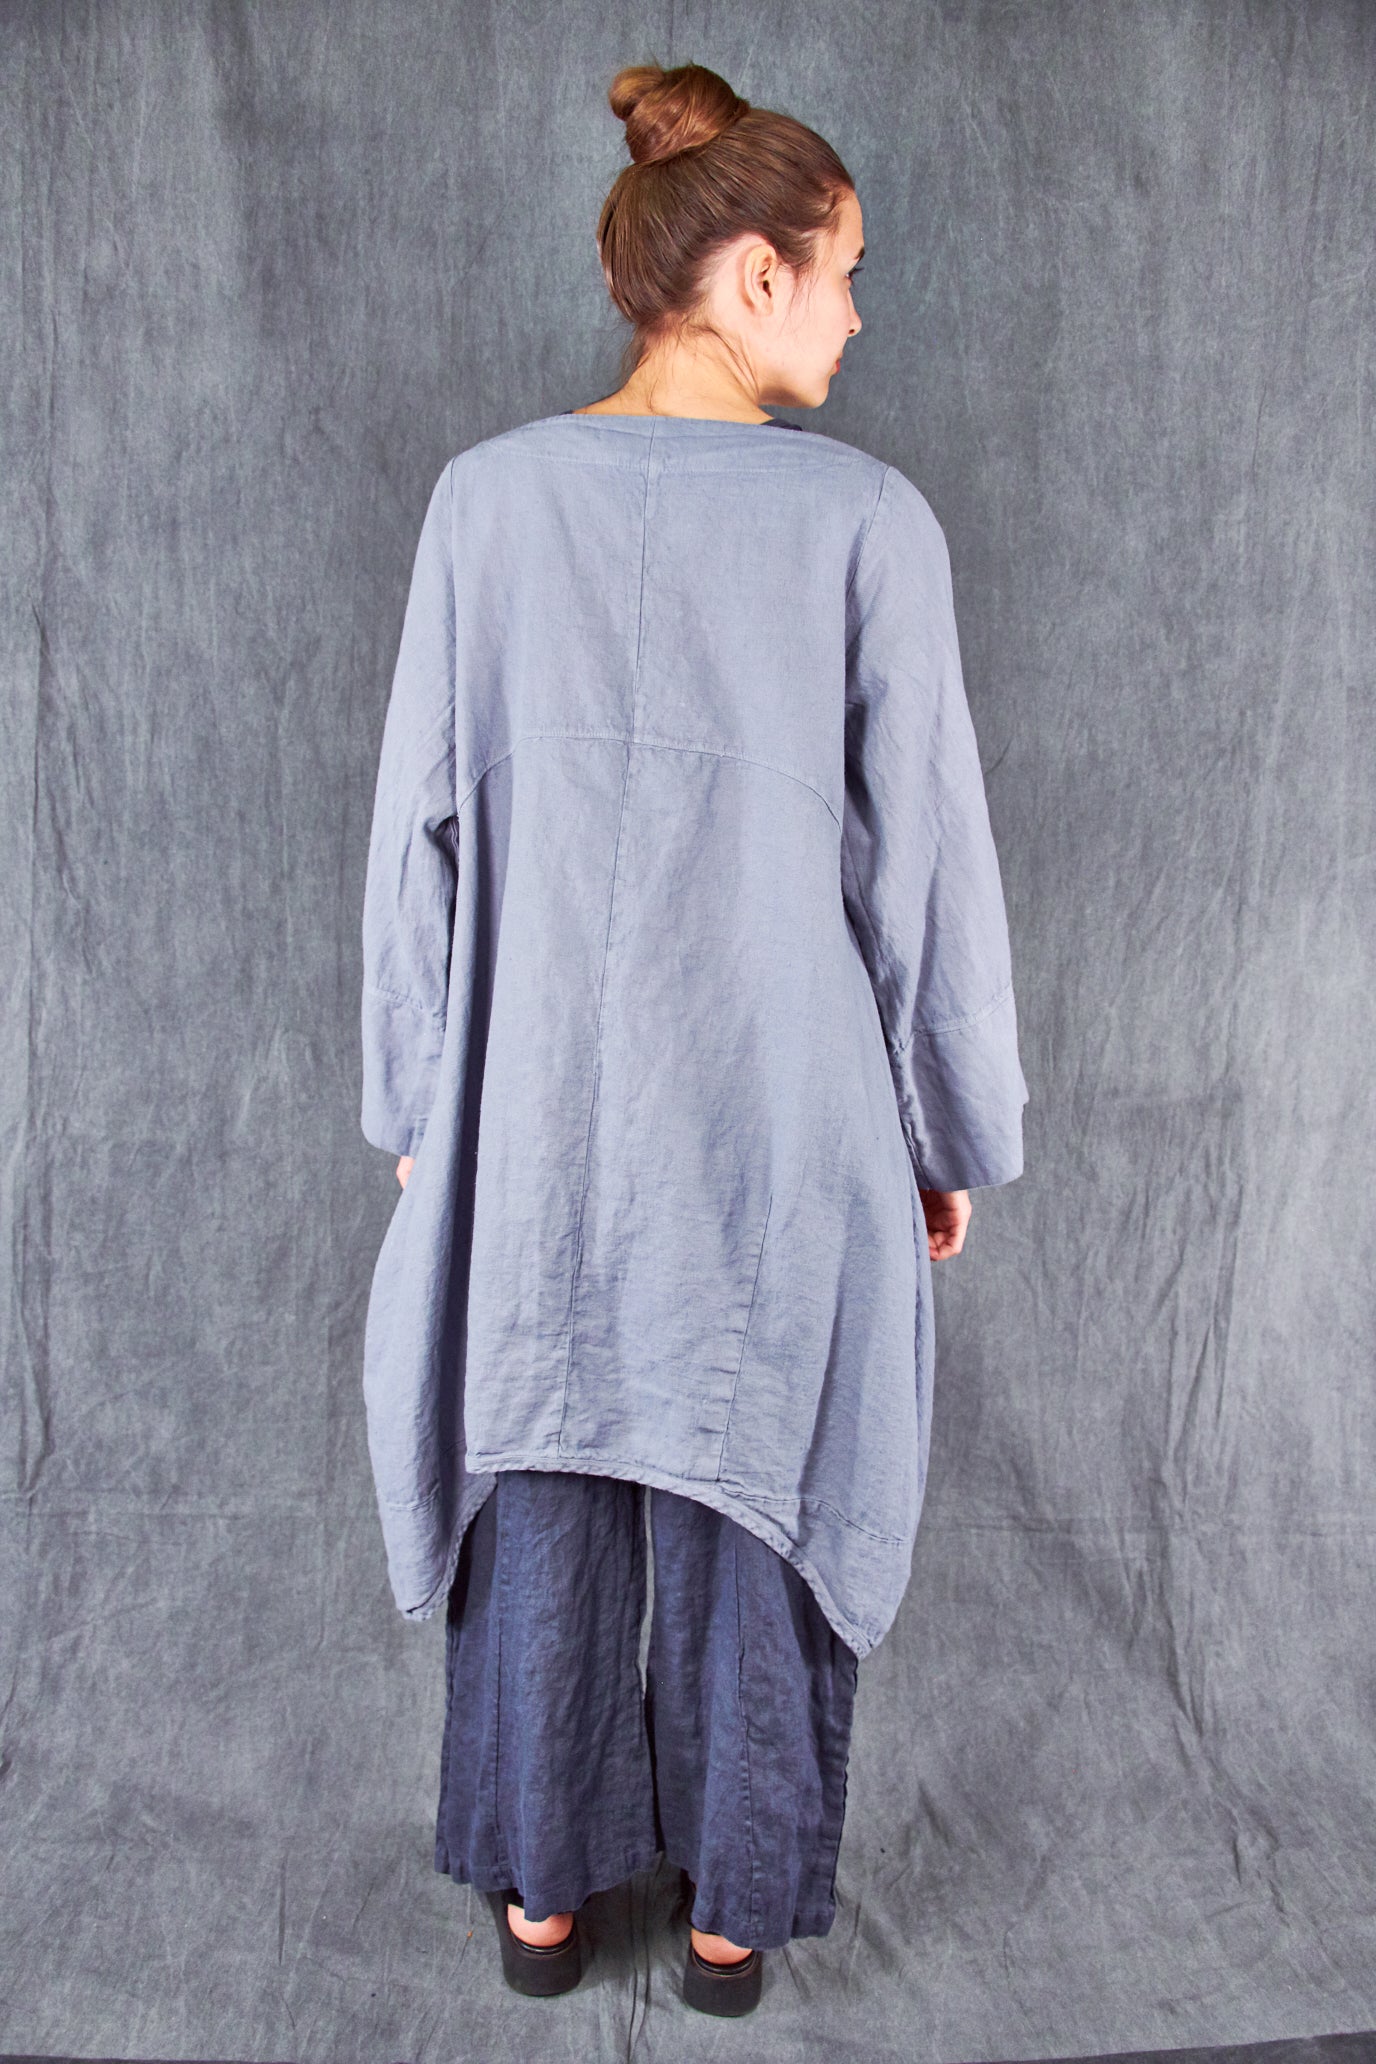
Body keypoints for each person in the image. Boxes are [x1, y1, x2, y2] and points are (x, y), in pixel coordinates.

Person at [359, 59, 1029, 2018]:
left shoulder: (487, 504)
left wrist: (419, 1095)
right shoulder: (867, 523)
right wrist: (944, 1129)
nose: (856, 317)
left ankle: (542, 1901)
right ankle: (732, 1919)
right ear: (751, 274)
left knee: (547, 1446)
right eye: (843, 273)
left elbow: (416, 825)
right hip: (779, 1113)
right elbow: (926, 868)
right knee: (765, 1467)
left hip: (539, 1110)